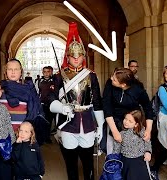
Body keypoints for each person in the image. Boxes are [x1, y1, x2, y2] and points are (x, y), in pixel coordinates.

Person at [49, 22, 104, 180]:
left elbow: (97, 101)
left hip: (87, 121)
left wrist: (100, 125)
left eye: (78, 55)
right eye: (72, 56)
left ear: (83, 56)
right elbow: (51, 98)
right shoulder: (60, 75)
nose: (75, 58)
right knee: (71, 164)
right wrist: (61, 108)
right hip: (68, 123)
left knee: (88, 163)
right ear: (68, 57)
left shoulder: (91, 75)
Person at [102, 67, 154, 155]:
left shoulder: (138, 90)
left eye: (114, 79)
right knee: (113, 150)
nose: (111, 79)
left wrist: (148, 130)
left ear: (123, 84)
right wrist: (115, 131)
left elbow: (148, 109)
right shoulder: (109, 84)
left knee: (131, 151)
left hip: (132, 123)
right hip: (114, 121)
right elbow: (107, 108)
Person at [0, 58, 47, 145]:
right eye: (10, 69)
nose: (13, 72)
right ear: (5, 72)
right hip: (4, 138)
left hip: (24, 138)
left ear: (21, 72)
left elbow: (37, 111)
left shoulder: (30, 90)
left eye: (16, 69)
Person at [113, 110, 152, 180]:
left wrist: (148, 152)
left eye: (130, 121)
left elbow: (147, 142)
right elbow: (116, 148)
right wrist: (114, 159)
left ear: (136, 124)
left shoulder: (142, 130)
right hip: (125, 161)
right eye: (125, 119)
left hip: (139, 160)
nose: (126, 122)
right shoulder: (121, 133)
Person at [39, 66, 55, 143]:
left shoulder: (54, 81)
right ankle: (42, 137)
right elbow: (37, 92)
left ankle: (48, 137)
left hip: (52, 105)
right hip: (42, 104)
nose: (46, 73)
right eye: (44, 72)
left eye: (48, 71)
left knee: (49, 121)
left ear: (51, 72)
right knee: (42, 121)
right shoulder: (39, 81)